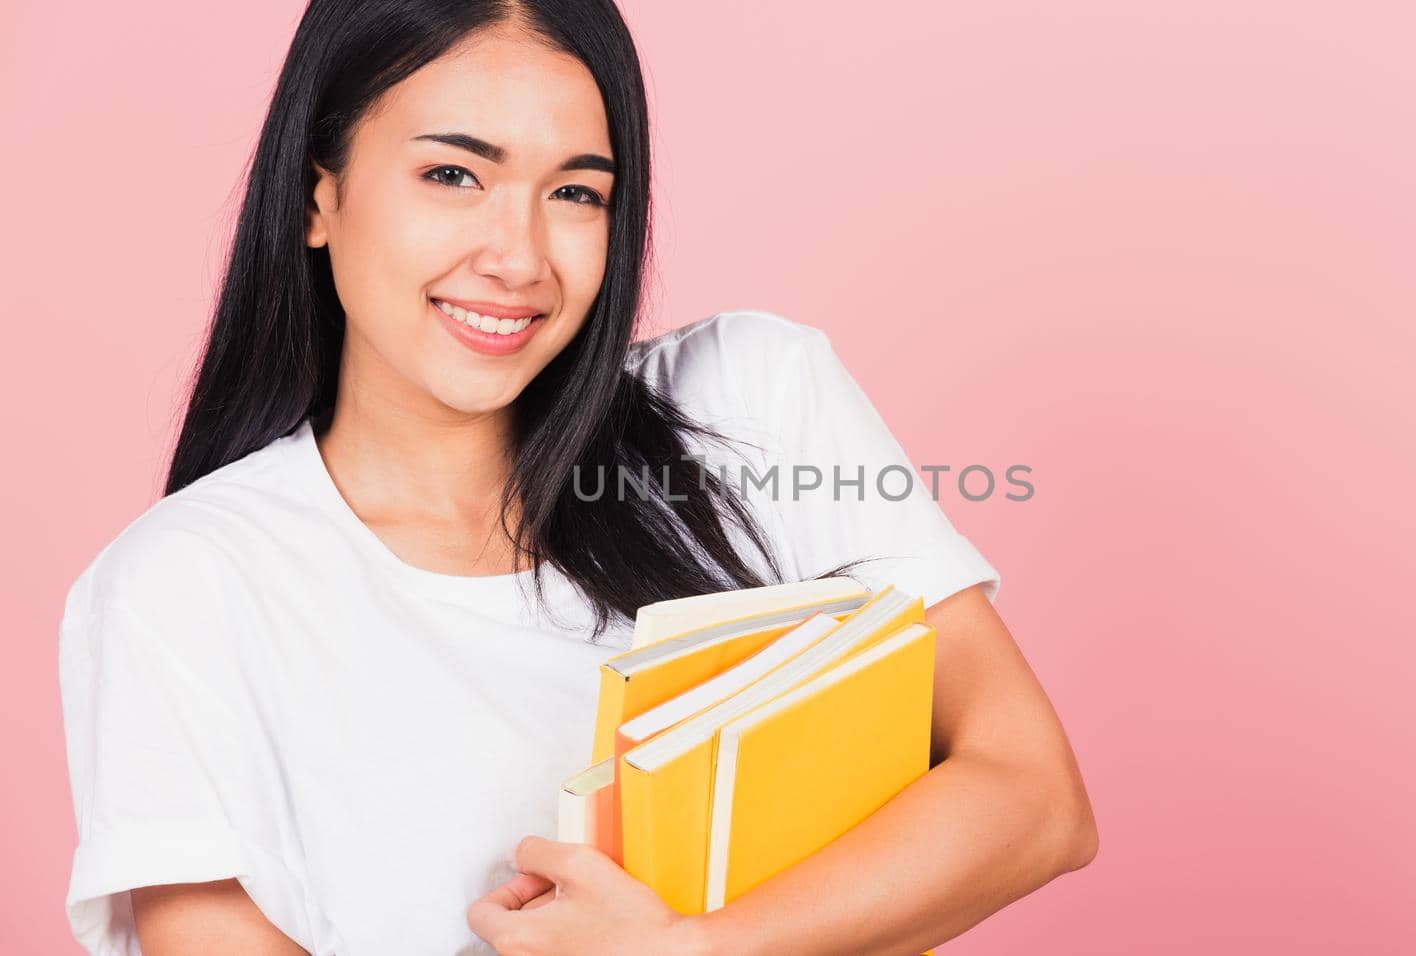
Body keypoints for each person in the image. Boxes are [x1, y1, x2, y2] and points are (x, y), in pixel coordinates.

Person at [57, 1, 1098, 953]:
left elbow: (1033, 799)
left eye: (574, 192)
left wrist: (689, 949)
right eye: (452, 174)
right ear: (315, 196)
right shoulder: (185, 586)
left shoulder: (750, 401)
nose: (517, 256)